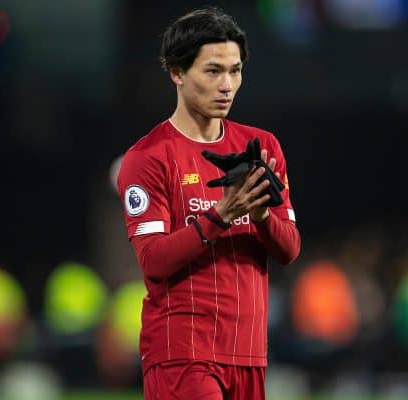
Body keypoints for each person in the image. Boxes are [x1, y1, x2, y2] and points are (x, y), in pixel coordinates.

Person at [117, 7, 301, 400]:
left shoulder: (262, 148)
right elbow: (153, 259)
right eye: (213, 71)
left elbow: (289, 249)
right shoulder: (148, 158)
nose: (227, 85)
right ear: (177, 73)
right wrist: (220, 215)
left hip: (248, 353)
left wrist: (261, 214)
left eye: (235, 71)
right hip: (182, 353)